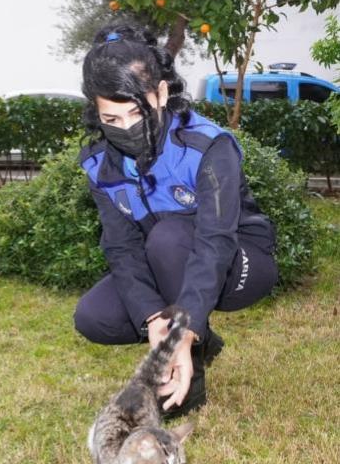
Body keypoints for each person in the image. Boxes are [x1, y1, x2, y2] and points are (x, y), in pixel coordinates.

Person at [74, 24, 278, 418]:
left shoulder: (208, 145)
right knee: (94, 317)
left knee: (168, 238)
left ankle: (188, 377)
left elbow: (215, 242)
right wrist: (152, 315)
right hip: (168, 259)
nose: (126, 128)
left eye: (136, 112)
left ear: (162, 93)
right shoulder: (98, 163)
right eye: (111, 119)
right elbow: (121, 247)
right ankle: (202, 335)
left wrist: (181, 331)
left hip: (240, 261)